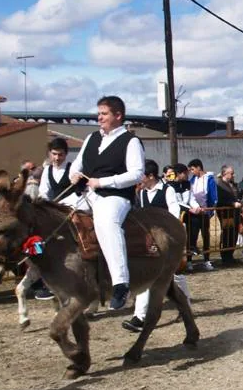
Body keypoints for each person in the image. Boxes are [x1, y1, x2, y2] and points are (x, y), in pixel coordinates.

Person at [68, 95, 144, 310]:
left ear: (118, 115)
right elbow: (77, 165)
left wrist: (103, 181)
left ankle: (121, 283)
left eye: (104, 113)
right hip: (87, 193)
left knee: (106, 222)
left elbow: (137, 174)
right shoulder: (91, 138)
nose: (99, 117)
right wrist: (73, 175)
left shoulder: (131, 141)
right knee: (52, 211)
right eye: (99, 113)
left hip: (116, 196)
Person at [122, 159, 192, 333]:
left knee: (176, 276)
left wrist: (166, 232)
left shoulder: (167, 190)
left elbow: (175, 211)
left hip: (167, 239)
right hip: (149, 240)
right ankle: (139, 317)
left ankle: (186, 308)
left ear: (151, 176)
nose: (140, 180)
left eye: (142, 176)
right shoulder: (142, 193)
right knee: (147, 275)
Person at [186, 159, 217, 271]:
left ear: (199, 167)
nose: (192, 172)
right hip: (194, 213)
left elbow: (213, 197)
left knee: (206, 237)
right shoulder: (192, 180)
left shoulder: (209, 179)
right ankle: (189, 261)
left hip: (205, 212)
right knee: (192, 237)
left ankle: (207, 260)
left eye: (193, 169)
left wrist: (209, 210)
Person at [216, 165, 242, 266]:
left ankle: (230, 255)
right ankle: (225, 256)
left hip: (234, 213)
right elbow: (220, 200)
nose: (233, 175)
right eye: (231, 173)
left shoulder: (232, 185)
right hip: (225, 214)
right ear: (224, 173)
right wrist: (232, 204)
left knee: (234, 234)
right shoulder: (220, 185)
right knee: (227, 234)